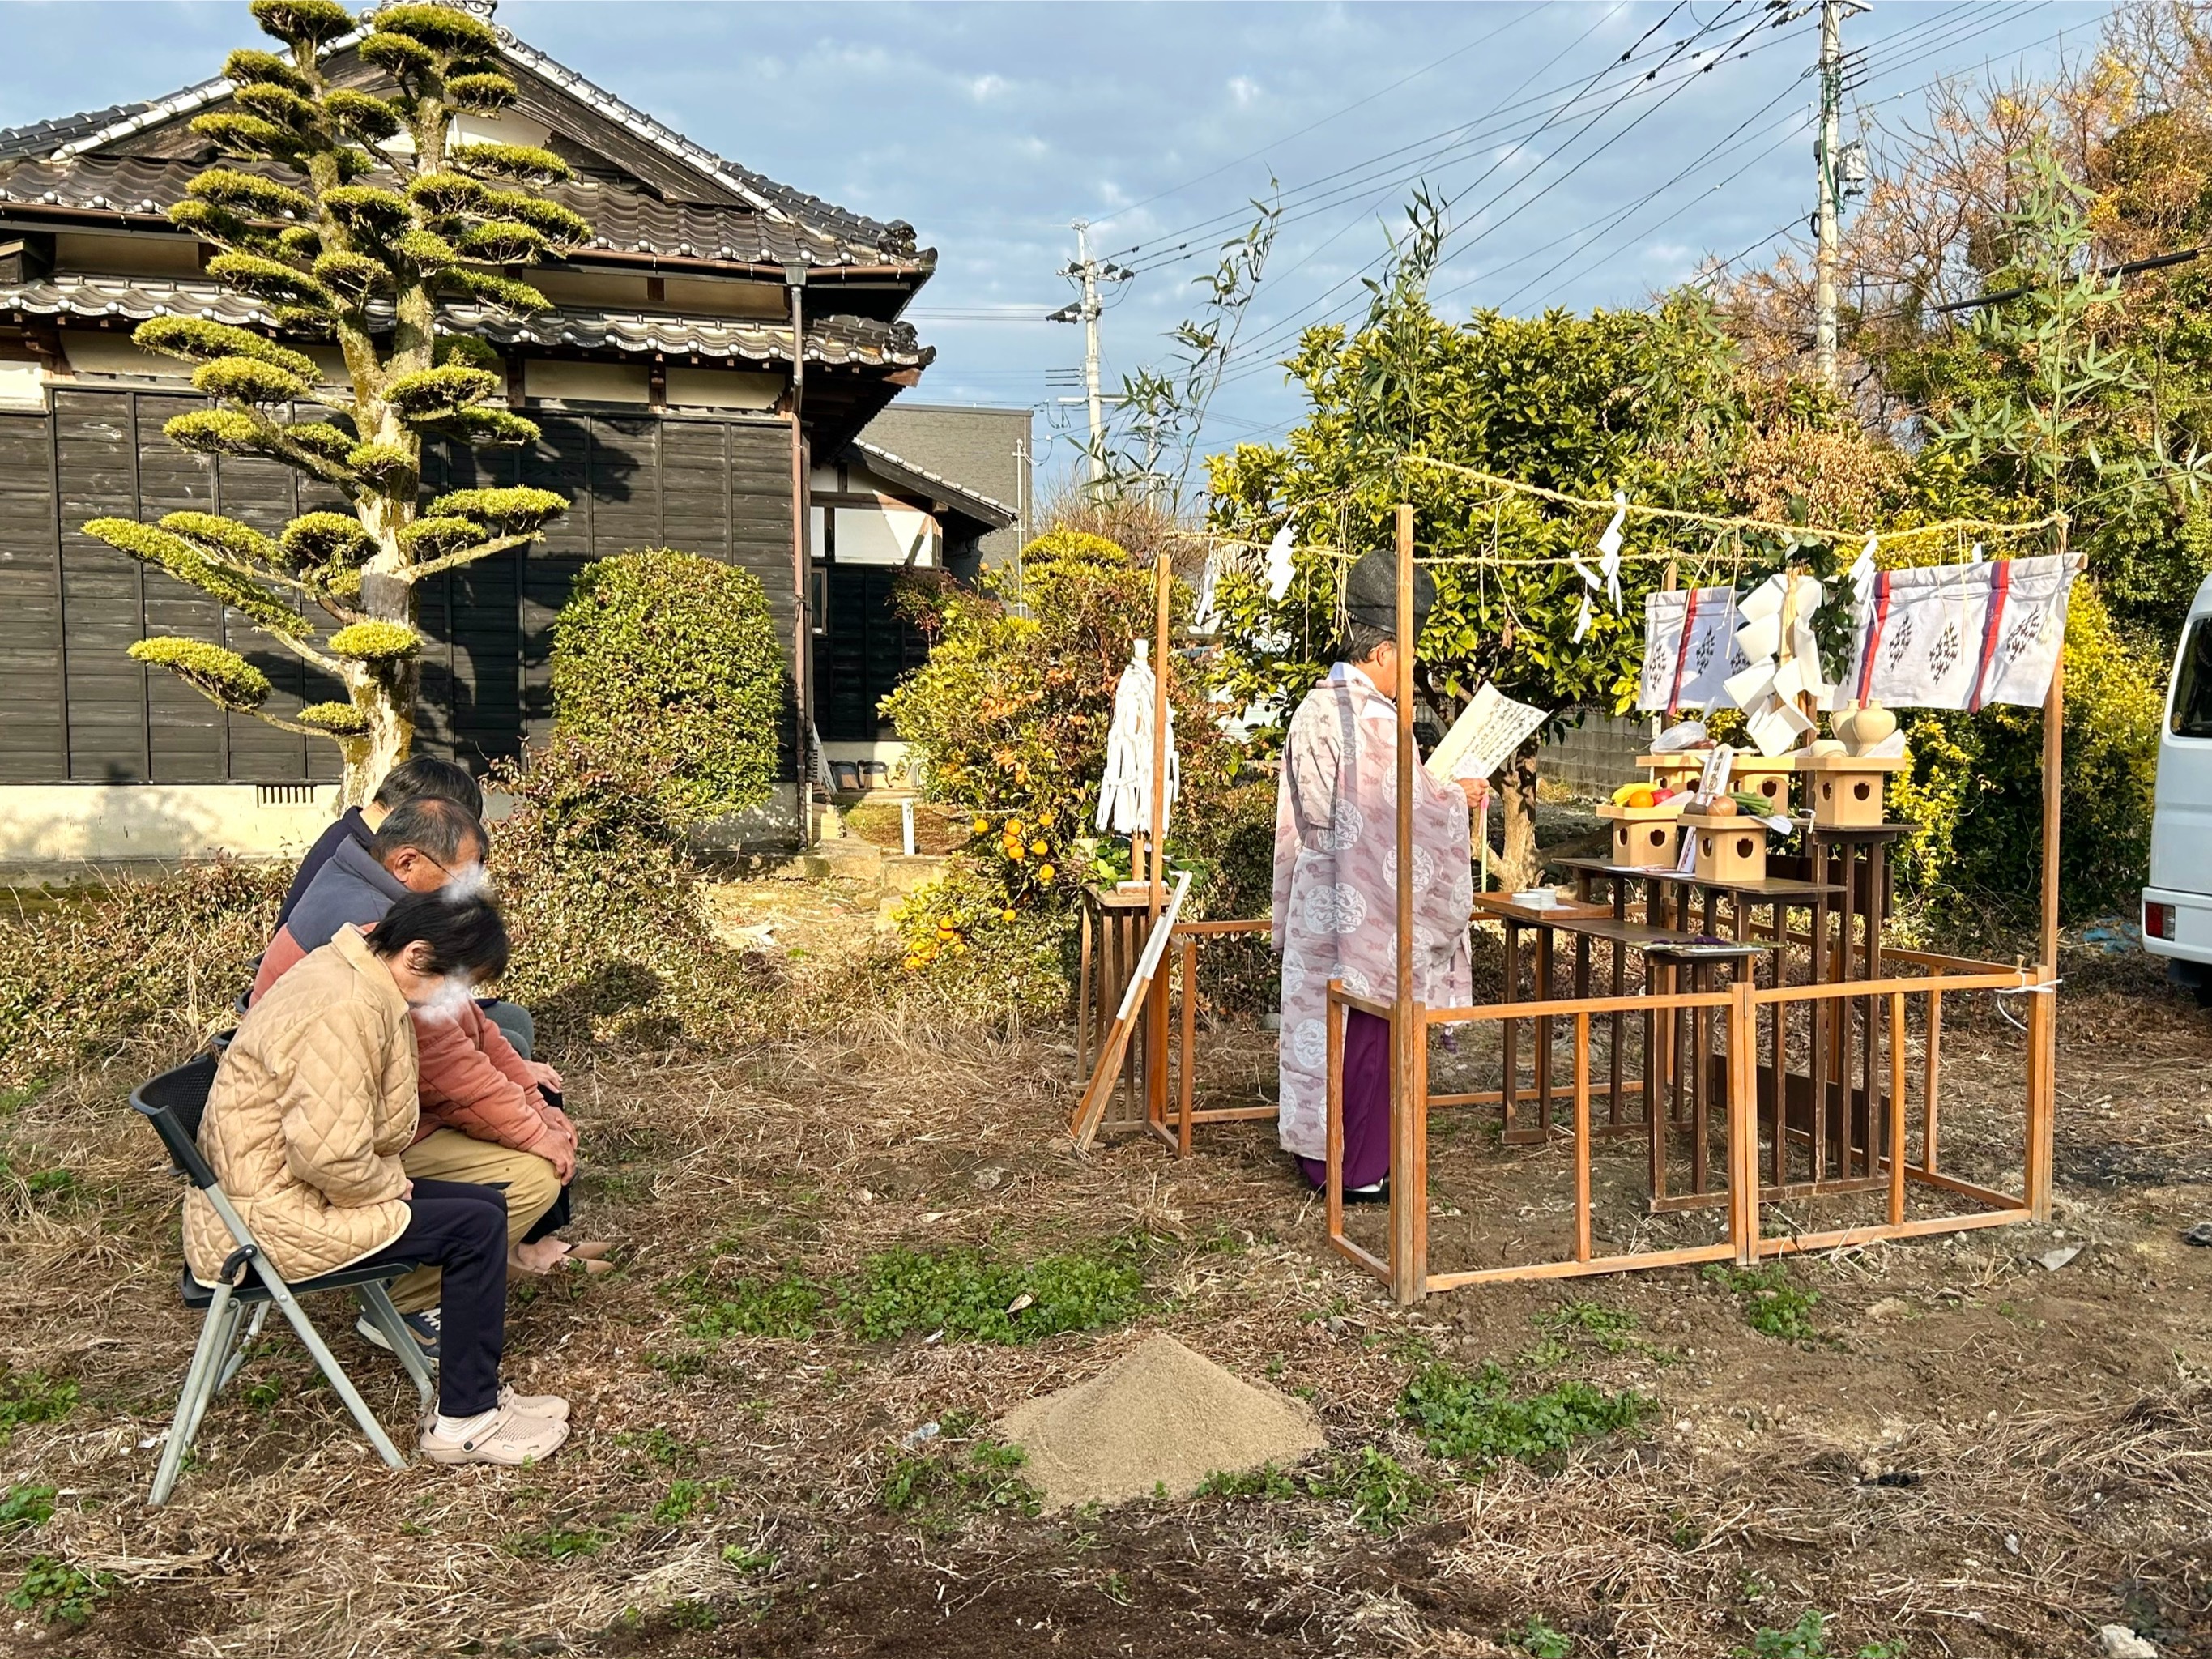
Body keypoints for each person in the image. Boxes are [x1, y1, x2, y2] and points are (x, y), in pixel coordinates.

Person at [185, 890, 569, 1465]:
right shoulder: (346, 1008)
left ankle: (476, 1398)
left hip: (275, 1189)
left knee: (483, 1211)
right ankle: (464, 1420)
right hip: (269, 1217)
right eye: (457, 986)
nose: (459, 1003)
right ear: (416, 955)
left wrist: (386, 1178)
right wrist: (388, 1186)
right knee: (473, 1227)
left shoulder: (352, 970)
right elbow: (329, 1158)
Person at [253, 798, 604, 1363]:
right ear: (408, 862)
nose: (469, 893)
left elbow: (473, 1033)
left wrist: (536, 1107)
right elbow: (450, 1073)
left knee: (520, 1084)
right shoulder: (369, 941)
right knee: (520, 1181)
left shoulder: (397, 916)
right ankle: (403, 1303)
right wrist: (536, 1131)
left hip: (363, 1127)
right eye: (463, 878)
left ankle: (506, 1253)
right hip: (322, 1157)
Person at [1272, 548, 1485, 1200]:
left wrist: (1432, 793)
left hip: (1319, 884)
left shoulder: (1313, 706)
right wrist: (1455, 798)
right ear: (1385, 651)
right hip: (1364, 894)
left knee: (1320, 1027)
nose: (1408, 673)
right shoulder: (1371, 719)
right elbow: (1399, 818)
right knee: (1365, 1028)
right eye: (1408, 658)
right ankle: (1357, 1169)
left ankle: (1319, 1157)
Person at [271, 757, 533, 1062]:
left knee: (505, 1034)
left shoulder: (353, 851)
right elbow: (424, 1028)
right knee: (507, 1042)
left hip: (330, 1029)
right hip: (315, 1048)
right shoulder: (370, 912)